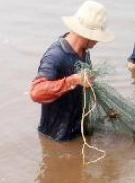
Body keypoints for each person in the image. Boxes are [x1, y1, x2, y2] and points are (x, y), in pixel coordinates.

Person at [30, 1, 114, 141]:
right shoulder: (55, 56)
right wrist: (73, 80)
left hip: (78, 129)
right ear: (86, 34)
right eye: (96, 37)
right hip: (56, 136)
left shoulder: (84, 52)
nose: (97, 42)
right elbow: (35, 92)